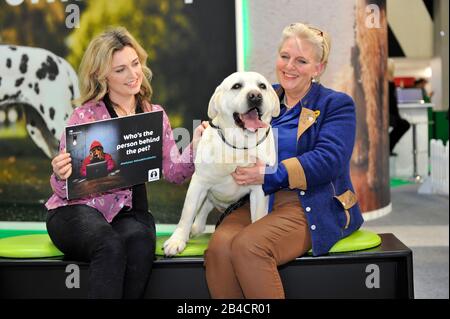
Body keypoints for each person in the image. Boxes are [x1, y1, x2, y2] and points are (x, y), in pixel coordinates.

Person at [204, 22, 364, 299]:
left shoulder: (336, 104)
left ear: (319, 68)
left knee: (249, 246)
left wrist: (268, 175)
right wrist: (207, 138)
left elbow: (329, 160)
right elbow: (227, 134)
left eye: (302, 60)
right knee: (219, 248)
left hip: (310, 203)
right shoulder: (261, 95)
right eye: (285, 56)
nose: (290, 66)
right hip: (258, 199)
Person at [45, 27, 206, 299]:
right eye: (120, 70)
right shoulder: (84, 115)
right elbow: (64, 190)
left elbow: (174, 173)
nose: (133, 75)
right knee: (109, 245)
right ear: (101, 75)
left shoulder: (154, 114)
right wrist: (60, 174)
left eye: (135, 65)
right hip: (73, 211)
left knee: (141, 243)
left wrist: (195, 145)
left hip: (126, 214)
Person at [388, 60, 410, 156]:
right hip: (388, 115)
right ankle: (388, 147)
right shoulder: (387, 81)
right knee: (404, 125)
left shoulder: (389, 81)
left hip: (391, 114)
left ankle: (388, 147)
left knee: (403, 124)